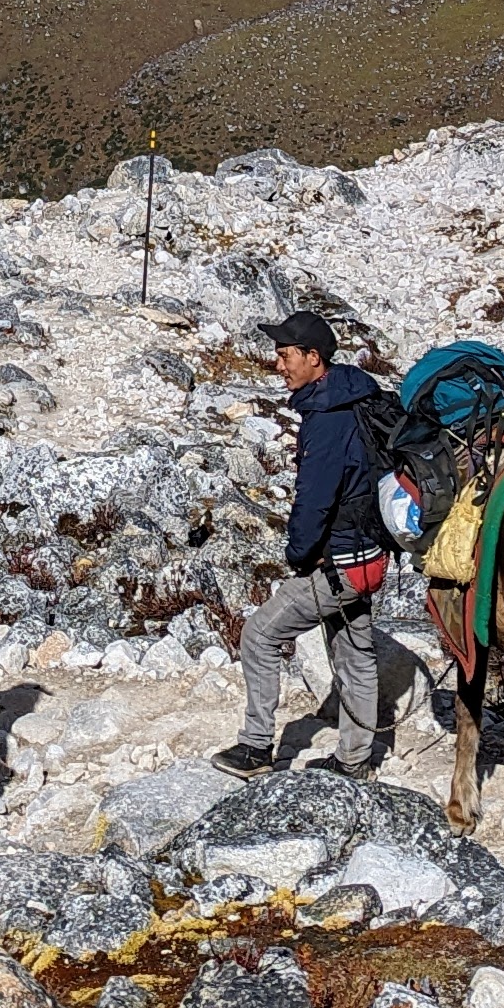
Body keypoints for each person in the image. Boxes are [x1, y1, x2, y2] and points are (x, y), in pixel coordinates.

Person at [216, 310, 389, 779]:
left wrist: (297, 554)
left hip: (337, 561)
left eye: (285, 354)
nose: (279, 365)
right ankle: (354, 760)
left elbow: (314, 500)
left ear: (314, 357)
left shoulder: (327, 419)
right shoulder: (355, 397)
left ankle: (255, 749)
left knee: (260, 634)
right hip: (369, 554)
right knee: (354, 652)